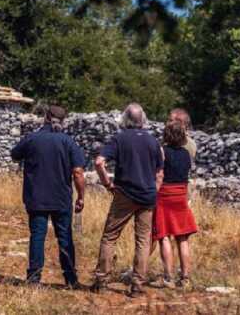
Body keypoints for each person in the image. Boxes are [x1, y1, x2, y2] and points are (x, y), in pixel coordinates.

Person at [91, 103, 164, 297]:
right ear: (143, 119)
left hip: (125, 193)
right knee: (143, 241)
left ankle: (102, 282)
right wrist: (153, 191)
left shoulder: (119, 138)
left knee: (110, 236)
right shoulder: (153, 141)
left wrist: (107, 183)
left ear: (126, 119)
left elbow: (99, 162)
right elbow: (159, 171)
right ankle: (137, 285)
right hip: (147, 195)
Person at [10, 105, 85, 288]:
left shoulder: (32, 139)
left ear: (45, 117)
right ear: (63, 120)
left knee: (37, 236)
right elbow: (77, 172)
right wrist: (81, 196)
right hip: (61, 198)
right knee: (65, 237)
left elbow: (14, 155)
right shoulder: (68, 142)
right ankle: (70, 279)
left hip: (36, 197)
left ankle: (34, 278)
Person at [151, 120, 198, 289]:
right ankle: (185, 278)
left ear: (167, 135)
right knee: (182, 237)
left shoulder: (162, 152)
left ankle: (168, 278)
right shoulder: (186, 154)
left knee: (164, 236)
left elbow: (159, 175)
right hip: (181, 195)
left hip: (164, 195)